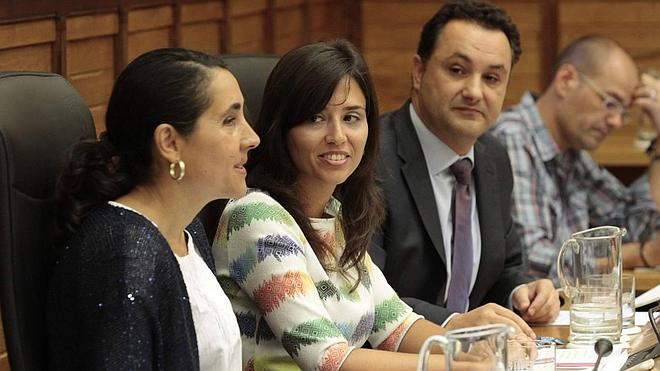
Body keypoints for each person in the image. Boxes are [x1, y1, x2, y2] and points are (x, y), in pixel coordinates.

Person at [214, 39, 495, 371]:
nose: (337, 136)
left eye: (351, 117)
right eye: (316, 118)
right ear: (283, 128)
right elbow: (328, 359)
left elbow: (396, 326)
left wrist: (478, 354)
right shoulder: (255, 218)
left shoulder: (333, 214)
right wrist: (459, 367)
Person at [48, 48, 259, 370]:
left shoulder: (187, 230)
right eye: (229, 120)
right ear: (170, 143)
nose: (252, 137)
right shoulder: (126, 256)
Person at [370, 0, 560, 334]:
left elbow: (506, 266)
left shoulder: (492, 157)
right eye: (457, 70)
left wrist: (524, 291)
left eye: (491, 78)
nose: (474, 91)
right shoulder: (371, 158)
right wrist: (454, 324)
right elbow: (362, 293)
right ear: (418, 72)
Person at [491, 35, 660, 280]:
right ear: (566, 80)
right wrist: (638, 255)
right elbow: (532, 264)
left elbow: (637, 227)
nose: (615, 122)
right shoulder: (513, 138)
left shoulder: (574, 156)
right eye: (610, 102)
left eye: (623, 112)